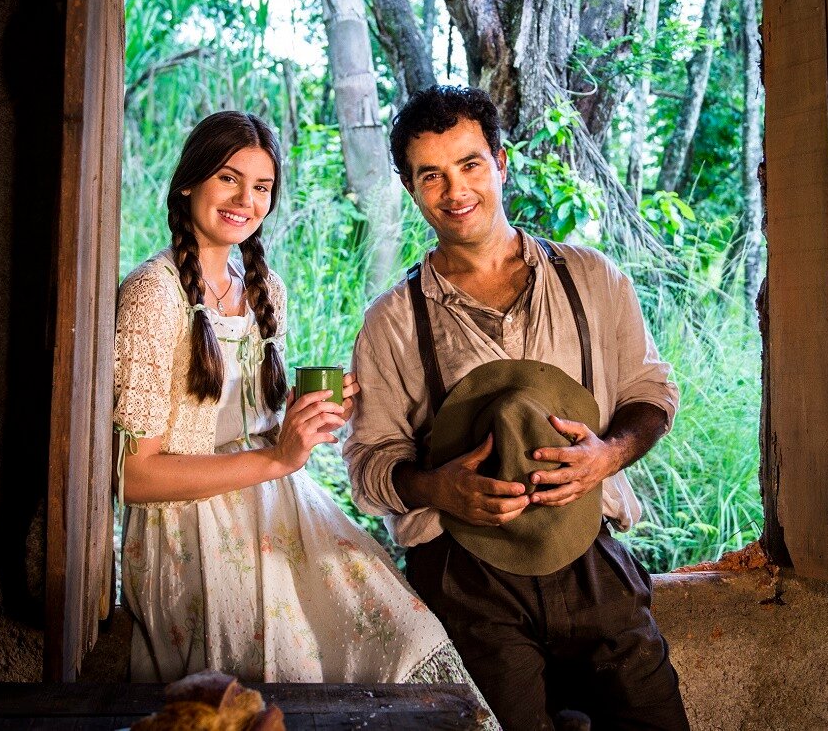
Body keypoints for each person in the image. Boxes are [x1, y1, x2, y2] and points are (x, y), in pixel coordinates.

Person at [112, 110, 499, 724]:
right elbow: (135, 476)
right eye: (228, 179)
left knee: (401, 630)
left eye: (262, 187)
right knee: (282, 680)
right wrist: (274, 458)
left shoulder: (264, 285)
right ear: (188, 183)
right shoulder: (151, 294)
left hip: (277, 497)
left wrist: (303, 419)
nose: (245, 200)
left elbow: (254, 428)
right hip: (189, 529)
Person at [345, 86, 691, 731]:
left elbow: (652, 393)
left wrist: (607, 455)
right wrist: (434, 486)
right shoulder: (392, 322)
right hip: (464, 573)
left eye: (470, 164)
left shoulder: (593, 278)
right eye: (432, 175)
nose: (456, 191)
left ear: (501, 163)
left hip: (591, 553)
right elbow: (369, 463)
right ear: (411, 187)